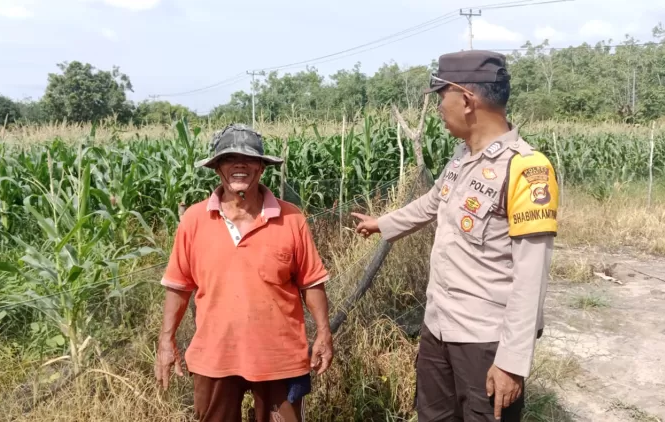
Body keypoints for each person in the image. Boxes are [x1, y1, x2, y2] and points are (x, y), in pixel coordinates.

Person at [352, 50, 559, 421]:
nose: (437, 108)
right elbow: (433, 203)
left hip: (485, 341)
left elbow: (532, 278)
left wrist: (512, 362)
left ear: (466, 100)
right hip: (439, 327)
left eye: (440, 97)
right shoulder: (463, 156)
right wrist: (383, 224)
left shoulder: (527, 170)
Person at [154, 124, 333, 422]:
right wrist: (165, 341)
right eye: (229, 159)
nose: (240, 165)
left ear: (261, 168)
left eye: (249, 159)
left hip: (280, 356)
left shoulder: (292, 218)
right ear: (217, 169)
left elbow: (311, 281)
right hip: (215, 356)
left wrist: (324, 334)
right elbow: (178, 286)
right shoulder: (194, 221)